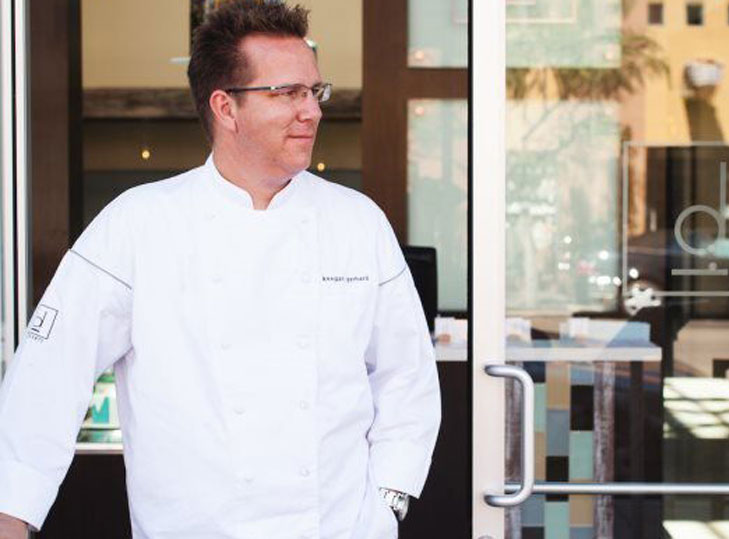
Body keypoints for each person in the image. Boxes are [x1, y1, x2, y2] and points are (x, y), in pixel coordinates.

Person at [0, 1, 441, 537]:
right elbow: (47, 380)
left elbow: (407, 377)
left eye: (314, 91)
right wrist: (12, 516)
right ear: (225, 107)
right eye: (288, 93)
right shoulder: (138, 225)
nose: (313, 111)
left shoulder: (357, 223)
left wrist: (389, 498)